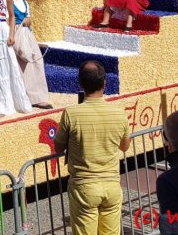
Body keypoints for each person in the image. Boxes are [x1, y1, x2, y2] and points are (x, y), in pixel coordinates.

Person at [54, 60, 130, 235]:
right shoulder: (119, 114)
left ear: (80, 84)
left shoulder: (71, 113)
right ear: (104, 84)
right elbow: (125, 146)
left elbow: (58, 147)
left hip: (84, 187)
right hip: (111, 185)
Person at [4, 0, 51, 109]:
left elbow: (29, 17)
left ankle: (38, 96)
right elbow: (8, 19)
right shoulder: (8, 1)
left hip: (26, 35)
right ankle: (23, 95)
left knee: (35, 61)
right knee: (20, 64)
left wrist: (28, 21)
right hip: (15, 34)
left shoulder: (24, 2)